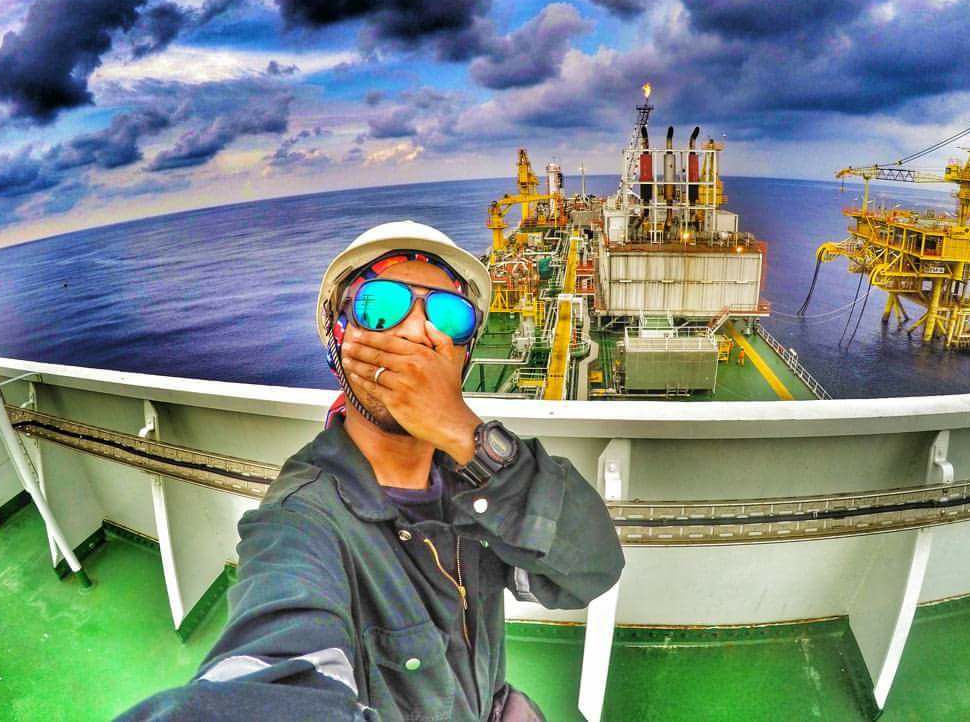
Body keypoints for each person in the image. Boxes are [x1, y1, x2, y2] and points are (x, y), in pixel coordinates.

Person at [119, 221, 625, 721]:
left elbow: (592, 569)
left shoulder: (480, 487)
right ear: (337, 337)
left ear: (463, 356)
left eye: (449, 316)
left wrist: (468, 435)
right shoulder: (303, 520)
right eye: (380, 307)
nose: (419, 332)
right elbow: (275, 675)